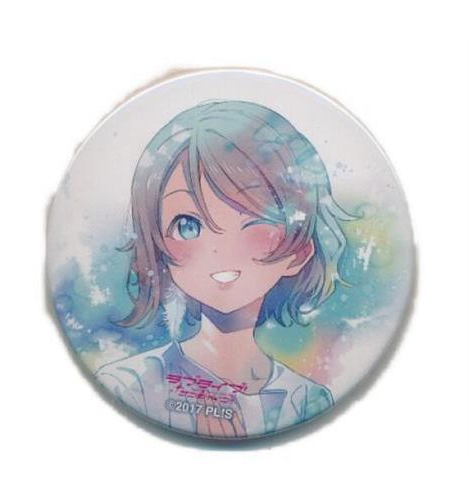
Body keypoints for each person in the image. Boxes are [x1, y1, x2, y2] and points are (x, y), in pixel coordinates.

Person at [96, 100, 353, 438]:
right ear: (156, 245)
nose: (220, 251)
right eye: (188, 226)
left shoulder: (305, 401)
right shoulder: (127, 386)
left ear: (299, 252)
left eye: (257, 221)